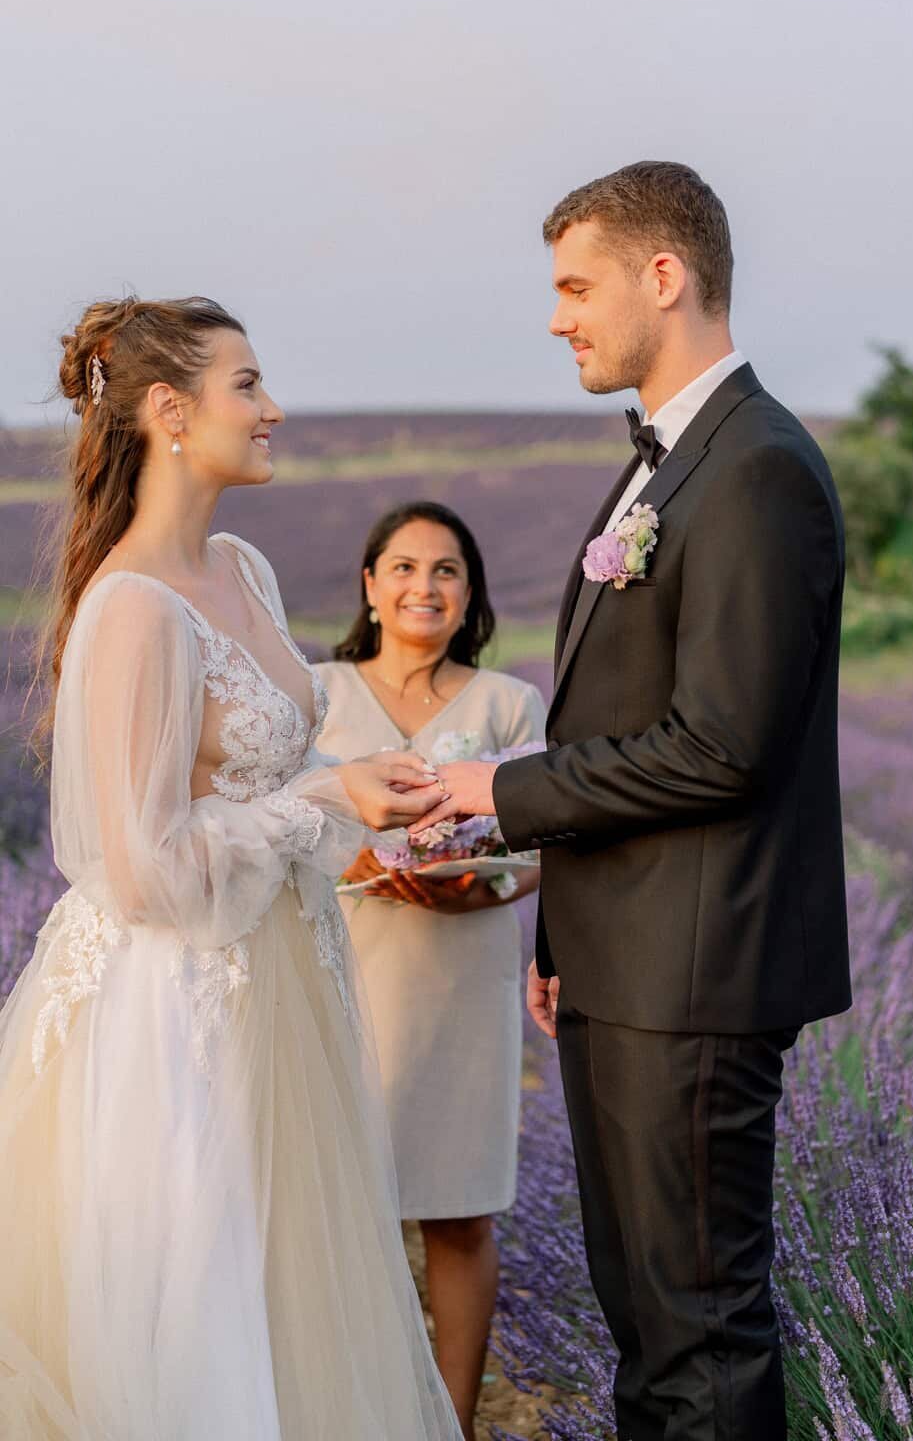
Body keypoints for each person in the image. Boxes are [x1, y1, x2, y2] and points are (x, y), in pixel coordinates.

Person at [414, 162, 852, 1441]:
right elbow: (621, 714)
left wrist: (501, 789)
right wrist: (562, 939)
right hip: (626, 966)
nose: (556, 318)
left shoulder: (756, 467)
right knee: (648, 1331)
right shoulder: (666, 463)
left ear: (662, 276)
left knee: (697, 1336)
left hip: (695, 975)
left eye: (574, 287)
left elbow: (722, 748)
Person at [0, 297, 463, 1440]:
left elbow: (266, 771)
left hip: (285, 973)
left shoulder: (244, 569)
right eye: (247, 385)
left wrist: (365, 783)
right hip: (179, 1007)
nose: (274, 410)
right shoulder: (131, 608)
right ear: (169, 410)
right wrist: (327, 800)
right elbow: (141, 868)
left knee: (291, 1284)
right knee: (203, 1300)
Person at [314, 501, 545, 1441]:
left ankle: (451, 1424)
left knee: (459, 1210)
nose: (425, 586)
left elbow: (546, 847)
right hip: (335, 973)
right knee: (333, 1209)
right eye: (404, 567)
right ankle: (340, 1413)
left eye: (446, 570)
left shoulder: (510, 705)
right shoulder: (317, 693)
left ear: (470, 594)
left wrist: (487, 887)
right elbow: (271, 816)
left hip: (461, 975)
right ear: (370, 586)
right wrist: (351, 859)